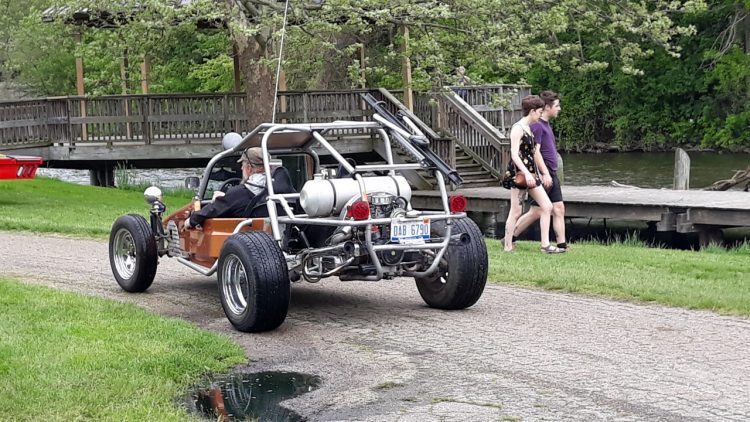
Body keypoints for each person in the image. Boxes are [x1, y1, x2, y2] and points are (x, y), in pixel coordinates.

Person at [501, 95, 561, 253]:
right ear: (532, 111)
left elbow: (534, 153)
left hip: (532, 174)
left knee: (547, 206)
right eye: (539, 112)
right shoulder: (518, 128)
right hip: (519, 175)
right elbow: (514, 155)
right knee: (516, 211)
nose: (540, 115)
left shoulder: (530, 128)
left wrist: (541, 173)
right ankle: (508, 245)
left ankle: (545, 245)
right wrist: (527, 173)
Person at [184, 147, 267, 229]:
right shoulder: (272, 189)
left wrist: (190, 221)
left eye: (242, 165)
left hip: (243, 233)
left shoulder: (239, 193)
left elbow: (212, 210)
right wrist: (226, 197)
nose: (241, 168)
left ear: (249, 168)